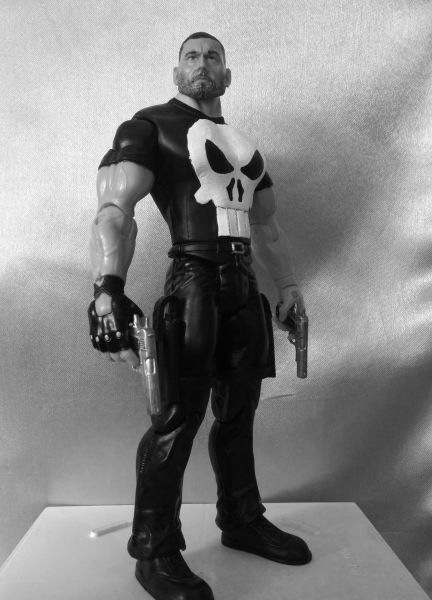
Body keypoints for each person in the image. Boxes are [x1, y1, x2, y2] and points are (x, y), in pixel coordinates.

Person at [88, 32, 311, 600]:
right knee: (176, 418)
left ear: (227, 75)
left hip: (242, 285)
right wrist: (107, 288)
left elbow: (267, 226)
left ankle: (241, 518)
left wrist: (288, 286)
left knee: (239, 413)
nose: (202, 64)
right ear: (177, 72)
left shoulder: (244, 145)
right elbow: (115, 209)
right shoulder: (150, 126)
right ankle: (153, 548)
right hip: (192, 279)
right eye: (192, 56)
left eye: (213, 56)